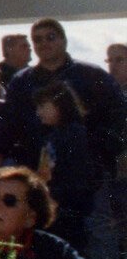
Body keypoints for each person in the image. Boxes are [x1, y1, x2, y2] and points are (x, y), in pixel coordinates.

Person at [0, 18, 126, 184]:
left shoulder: (92, 75)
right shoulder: (21, 82)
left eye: (50, 37)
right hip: (36, 172)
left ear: (64, 40)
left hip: (89, 172)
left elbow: (118, 115)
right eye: (38, 39)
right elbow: (7, 122)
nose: (44, 43)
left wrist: (104, 148)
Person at [36, 81, 99, 250]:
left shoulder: (74, 135)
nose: (38, 112)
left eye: (43, 106)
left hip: (69, 209)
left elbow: (77, 177)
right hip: (58, 204)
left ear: (60, 104)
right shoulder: (54, 135)